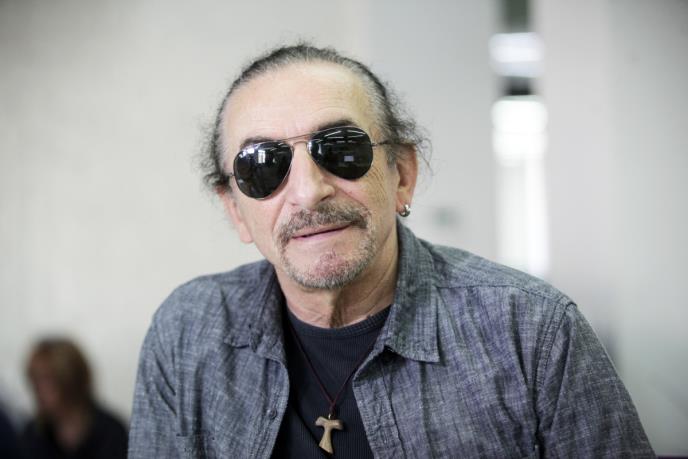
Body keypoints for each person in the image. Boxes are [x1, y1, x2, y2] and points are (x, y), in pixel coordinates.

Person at [129, 44, 654, 458]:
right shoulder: (186, 333)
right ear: (236, 211)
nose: (309, 191)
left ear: (402, 175)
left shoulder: (533, 332)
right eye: (262, 166)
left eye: (341, 149)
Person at [21, 337, 128, 459]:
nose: (38, 389)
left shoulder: (112, 434)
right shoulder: (32, 436)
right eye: (35, 380)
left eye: (47, 380)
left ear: (71, 380)